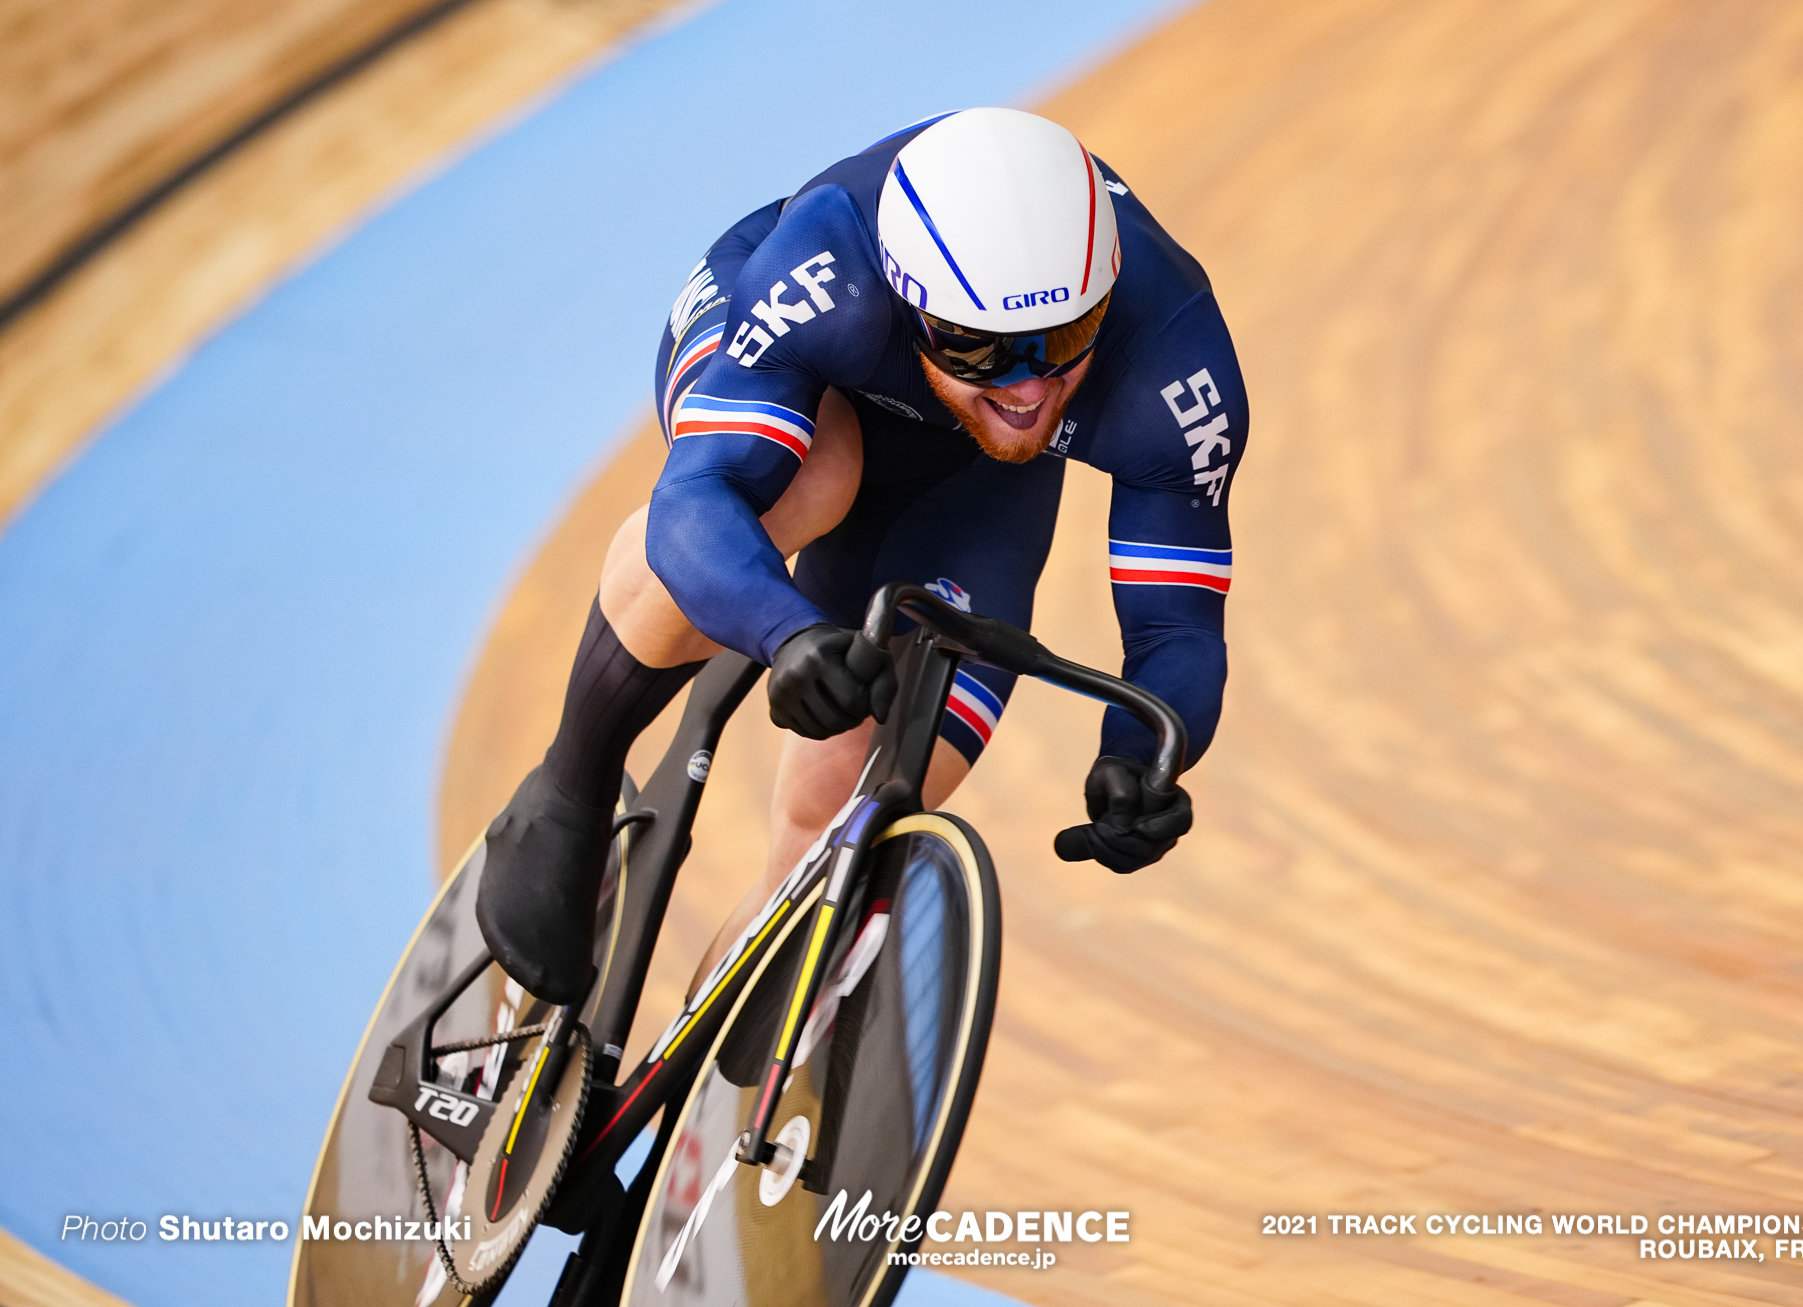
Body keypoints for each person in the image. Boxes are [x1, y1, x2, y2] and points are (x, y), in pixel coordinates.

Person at [476, 107, 1247, 1005]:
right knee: (814, 478)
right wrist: (786, 630)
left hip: (969, 479)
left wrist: (1146, 755)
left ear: (1106, 296)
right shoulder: (827, 269)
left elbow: (1178, 627)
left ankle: (685, 1112)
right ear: (911, 302)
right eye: (980, 350)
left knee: (850, 826)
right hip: (789, 365)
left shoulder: (1175, 360)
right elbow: (701, 496)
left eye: (1066, 343)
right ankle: (568, 786)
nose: (1029, 388)